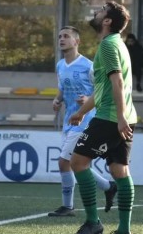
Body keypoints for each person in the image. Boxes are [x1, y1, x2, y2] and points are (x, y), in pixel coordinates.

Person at [69, 1, 137, 234]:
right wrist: (81, 112)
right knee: (120, 171)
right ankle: (124, 230)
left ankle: (93, 222)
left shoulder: (108, 46)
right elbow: (104, 90)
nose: (96, 13)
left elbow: (116, 82)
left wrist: (119, 118)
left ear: (107, 21)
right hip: (125, 116)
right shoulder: (118, 44)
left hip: (111, 118)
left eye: (100, 12)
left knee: (77, 162)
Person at [48, 26, 117, 217]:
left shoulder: (89, 65)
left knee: (64, 162)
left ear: (76, 41)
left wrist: (88, 100)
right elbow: (62, 88)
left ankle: (68, 207)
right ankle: (108, 186)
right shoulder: (60, 65)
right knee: (74, 162)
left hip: (86, 119)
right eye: (60, 36)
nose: (62, 39)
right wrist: (57, 100)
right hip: (69, 120)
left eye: (66, 36)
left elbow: (103, 90)